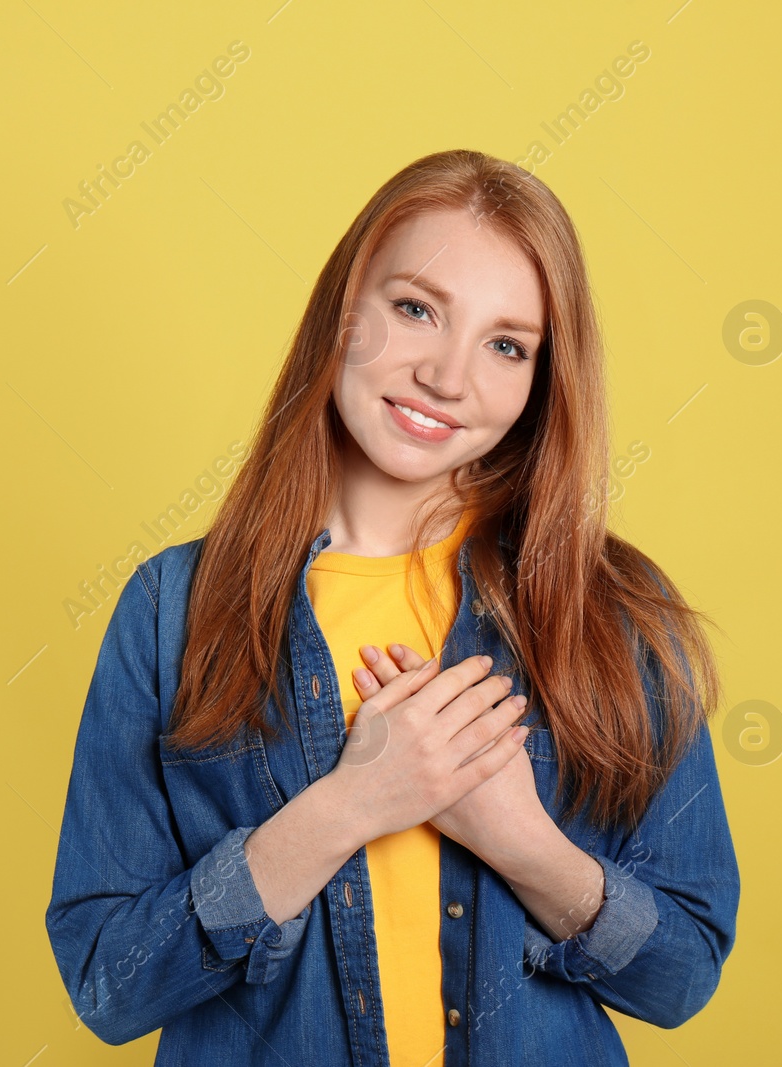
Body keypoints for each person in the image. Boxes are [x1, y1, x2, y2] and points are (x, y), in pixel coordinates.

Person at [44, 149, 739, 1066]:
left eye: (505, 344)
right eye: (417, 309)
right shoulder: (174, 610)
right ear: (345, 311)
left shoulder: (610, 611)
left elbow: (682, 973)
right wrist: (351, 804)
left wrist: (519, 839)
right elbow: (109, 982)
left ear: (541, 380)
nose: (447, 377)